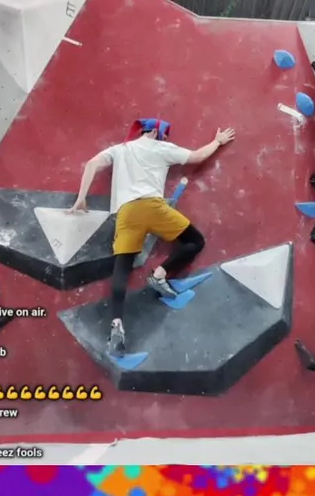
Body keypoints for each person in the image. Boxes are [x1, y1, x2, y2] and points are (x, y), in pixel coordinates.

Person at [67, 118, 236, 354]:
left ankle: (117, 324)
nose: (166, 139)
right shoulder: (162, 148)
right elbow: (197, 156)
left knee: (122, 269)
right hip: (153, 208)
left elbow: (92, 164)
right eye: (165, 135)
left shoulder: (119, 150)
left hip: (127, 213)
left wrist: (81, 198)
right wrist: (217, 142)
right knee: (195, 241)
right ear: (156, 132)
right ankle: (160, 274)